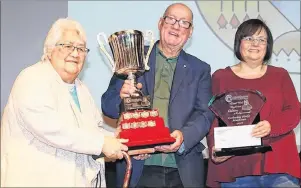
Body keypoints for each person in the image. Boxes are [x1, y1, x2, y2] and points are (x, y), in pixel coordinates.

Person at [0, 18, 128, 187]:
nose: (75, 53)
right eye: (68, 46)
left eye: (81, 49)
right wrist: (102, 143)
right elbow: (52, 128)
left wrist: (121, 140)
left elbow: (92, 131)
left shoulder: (82, 90)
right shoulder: (32, 78)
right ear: (50, 50)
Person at [101, 3, 214, 188]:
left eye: (184, 23)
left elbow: (205, 113)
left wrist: (183, 136)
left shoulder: (200, 69)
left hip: (183, 169)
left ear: (190, 32)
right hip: (139, 165)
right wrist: (121, 97)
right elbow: (108, 105)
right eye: (171, 19)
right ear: (160, 23)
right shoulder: (133, 57)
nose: (176, 26)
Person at [206, 19, 301, 187]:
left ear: (268, 46)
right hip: (236, 167)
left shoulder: (280, 75)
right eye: (249, 38)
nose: (255, 44)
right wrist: (216, 149)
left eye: (261, 39)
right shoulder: (221, 77)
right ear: (239, 42)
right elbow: (213, 120)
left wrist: (272, 126)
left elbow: (294, 111)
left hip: (278, 164)